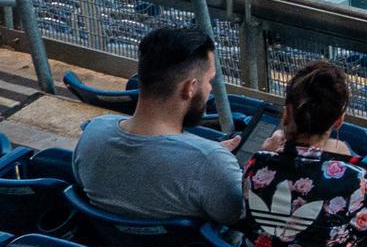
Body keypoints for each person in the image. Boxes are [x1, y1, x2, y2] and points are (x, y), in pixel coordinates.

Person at [240, 61, 367, 247]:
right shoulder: (349, 180)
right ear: (338, 121)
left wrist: (267, 154)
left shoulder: (256, 163)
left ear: (286, 113)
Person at [72, 26, 247, 224]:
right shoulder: (210, 163)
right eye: (209, 81)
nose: (209, 90)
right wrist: (261, 167)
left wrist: (211, 157)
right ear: (190, 87)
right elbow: (240, 219)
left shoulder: (93, 133)